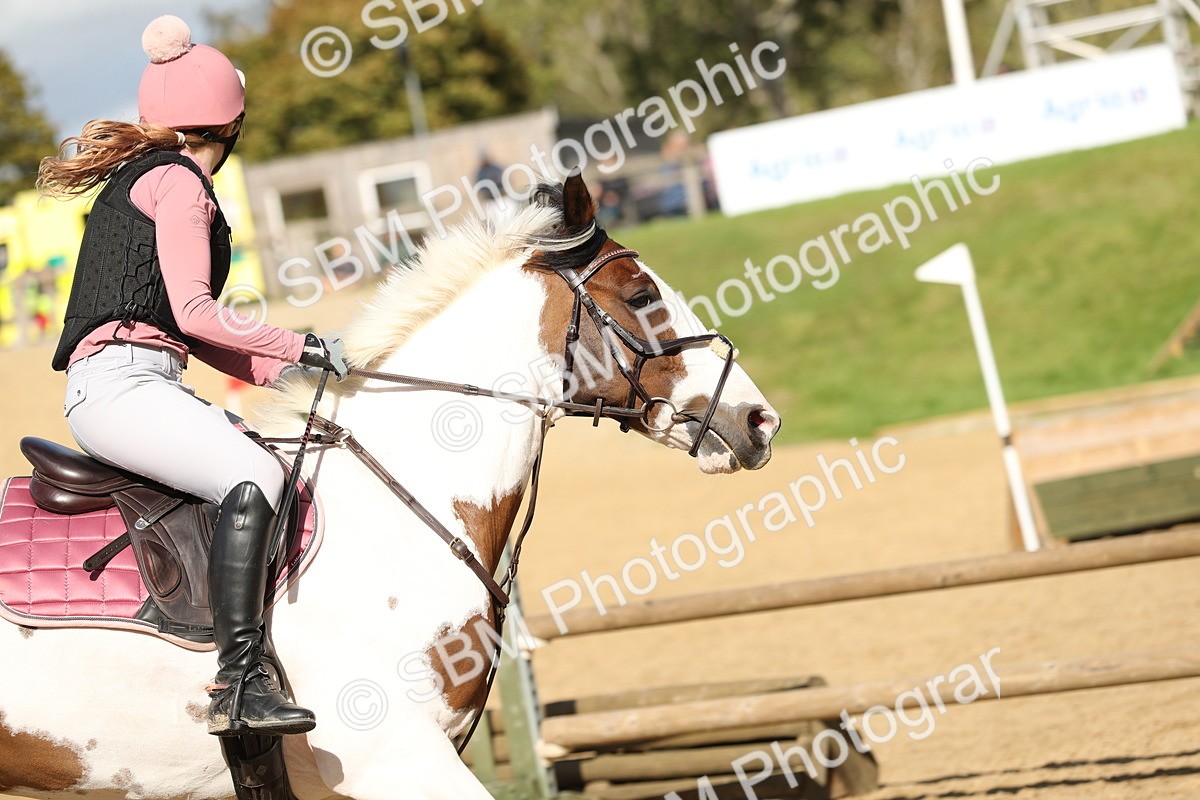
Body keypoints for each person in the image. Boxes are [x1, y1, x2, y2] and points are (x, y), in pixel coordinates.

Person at [37, 16, 348, 737]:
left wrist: (286, 374)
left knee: (263, 462)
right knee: (257, 480)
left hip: (140, 380)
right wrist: (300, 343)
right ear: (230, 126)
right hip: (120, 386)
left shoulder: (152, 175)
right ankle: (239, 684)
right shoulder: (178, 182)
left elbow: (188, 332)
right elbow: (198, 314)